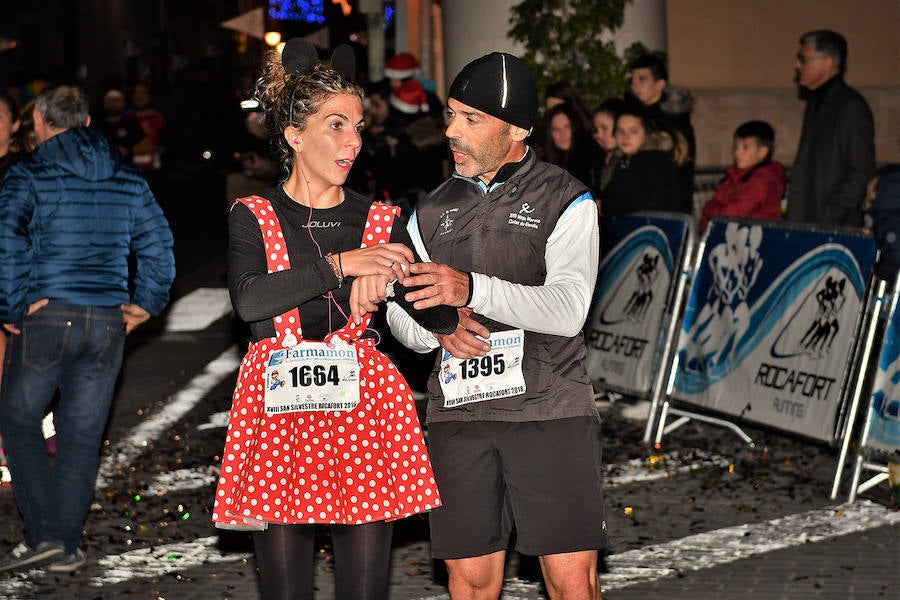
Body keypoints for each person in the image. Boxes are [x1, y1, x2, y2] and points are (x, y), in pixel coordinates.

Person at [211, 39, 456, 600]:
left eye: (359, 127)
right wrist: (343, 265)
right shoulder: (254, 215)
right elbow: (251, 303)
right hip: (278, 413)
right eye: (336, 125)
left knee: (365, 591)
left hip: (364, 410)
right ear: (295, 136)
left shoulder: (381, 218)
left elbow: (438, 314)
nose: (353, 141)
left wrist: (395, 280)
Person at [385, 51, 606, 600]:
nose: (452, 132)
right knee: (469, 580)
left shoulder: (565, 197)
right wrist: (434, 329)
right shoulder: (428, 210)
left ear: (517, 128)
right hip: (459, 414)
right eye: (452, 115)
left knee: (570, 580)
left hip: (548, 408)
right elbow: (399, 316)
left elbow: (570, 308)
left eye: (471, 119)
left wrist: (472, 289)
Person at [0, 85, 175, 572]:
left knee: (17, 420)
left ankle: (44, 536)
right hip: (105, 320)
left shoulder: (27, 173)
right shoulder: (126, 177)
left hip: (46, 315)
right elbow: (159, 244)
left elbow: (7, 241)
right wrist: (146, 303)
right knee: (80, 435)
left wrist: (11, 307)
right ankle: (66, 544)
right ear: (88, 123)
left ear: (37, 122)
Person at [786, 29, 875, 227]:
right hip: (810, 224)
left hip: (833, 228)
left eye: (803, 59)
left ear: (827, 62)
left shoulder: (850, 106)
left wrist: (830, 216)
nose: (797, 65)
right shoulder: (816, 102)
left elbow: (860, 171)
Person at [628, 54, 696, 214]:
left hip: (669, 207)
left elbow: (681, 171)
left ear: (660, 84)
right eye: (633, 80)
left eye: (642, 79)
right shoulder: (634, 117)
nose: (635, 85)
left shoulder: (676, 122)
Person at [599, 100, 684, 217]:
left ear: (646, 132)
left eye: (633, 131)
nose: (625, 137)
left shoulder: (652, 161)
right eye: (620, 131)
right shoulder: (623, 160)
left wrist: (604, 204)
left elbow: (638, 202)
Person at [699, 120, 787, 231]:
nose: (737, 153)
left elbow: (730, 214)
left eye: (745, 147)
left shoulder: (764, 181)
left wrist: (709, 209)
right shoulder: (734, 177)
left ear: (762, 152)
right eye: (736, 147)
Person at [543, 101, 603, 194]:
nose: (562, 134)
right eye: (556, 129)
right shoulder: (547, 165)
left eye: (567, 127)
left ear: (575, 127)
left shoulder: (590, 155)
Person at [93, 88, 153, 166]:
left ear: (123, 103)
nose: (113, 103)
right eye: (110, 101)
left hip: (125, 169)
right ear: (104, 104)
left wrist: (127, 151)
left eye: (116, 100)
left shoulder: (130, 123)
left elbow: (148, 147)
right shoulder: (97, 124)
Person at [591, 96, 626, 195]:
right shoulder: (595, 156)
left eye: (604, 128)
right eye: (596, 129)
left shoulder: (629, 161)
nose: (598, 134)